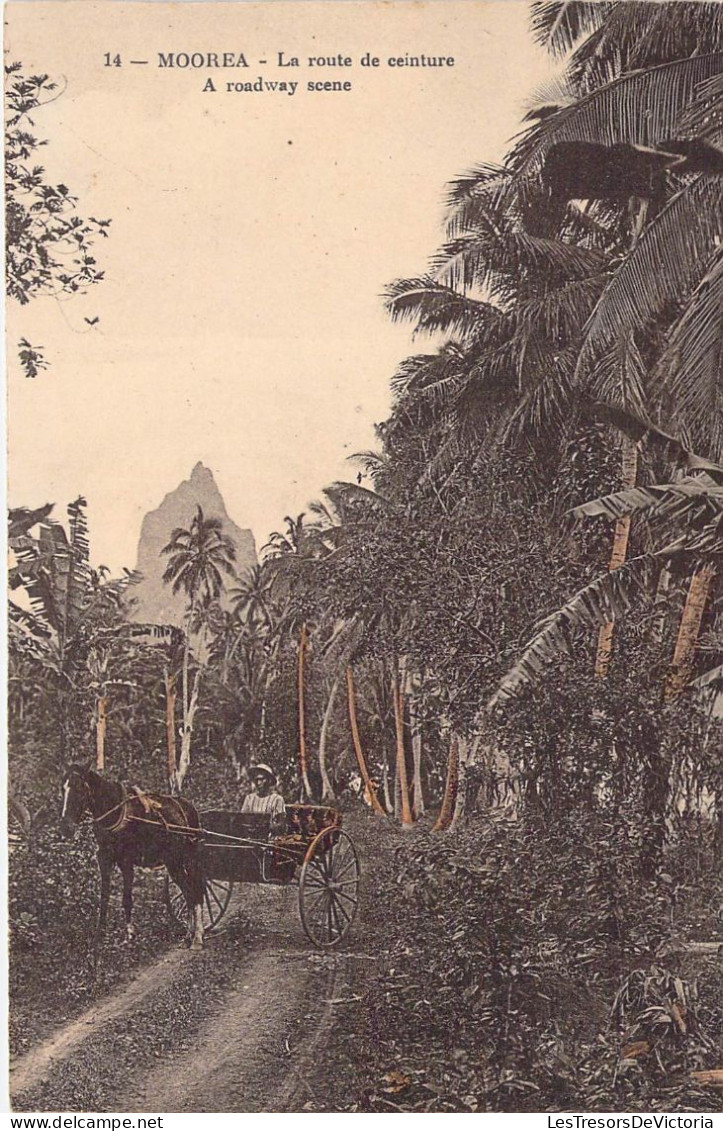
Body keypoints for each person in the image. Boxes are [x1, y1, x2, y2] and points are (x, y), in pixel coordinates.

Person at [242, 763, 286, 833]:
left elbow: (282, 824)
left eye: (261, 779)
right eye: (256, 780)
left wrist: (268, 827)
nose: (258, 783)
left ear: (269, 780)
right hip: (251, 837)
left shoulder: (277, 799)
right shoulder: (249, 798)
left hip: (270, 838)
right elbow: (243, 819)